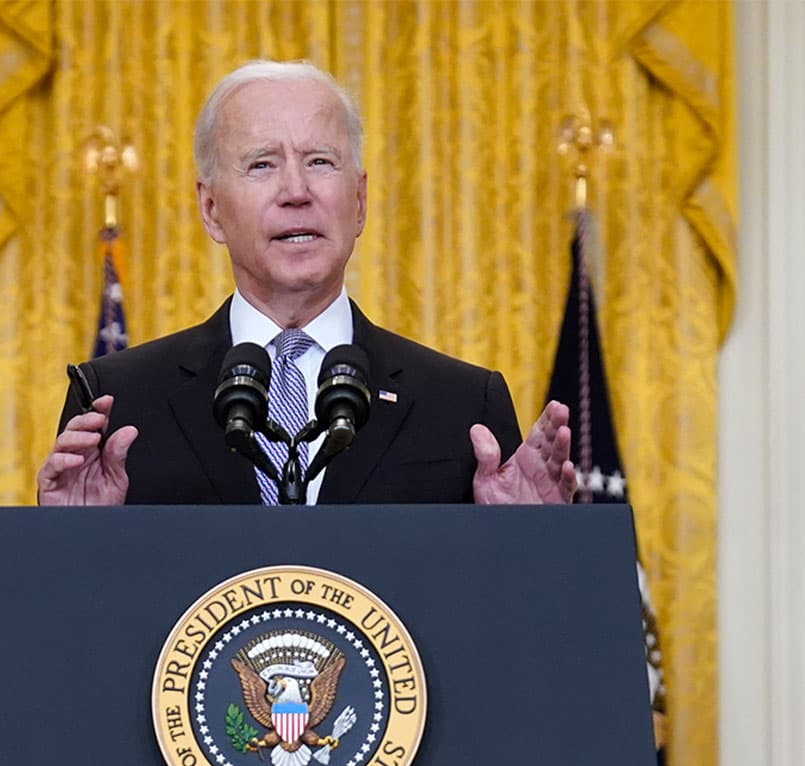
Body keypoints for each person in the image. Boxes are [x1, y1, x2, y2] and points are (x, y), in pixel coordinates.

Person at [37, 59, 578, 507]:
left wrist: (529, 540)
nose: (296, 190)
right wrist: (71, 540)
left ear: (360, 202)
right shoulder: (119, 400)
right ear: (211, 209)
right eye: (262, 165)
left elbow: (511, 615)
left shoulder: (463, 406)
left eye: (320, 161)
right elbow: (67, 617)